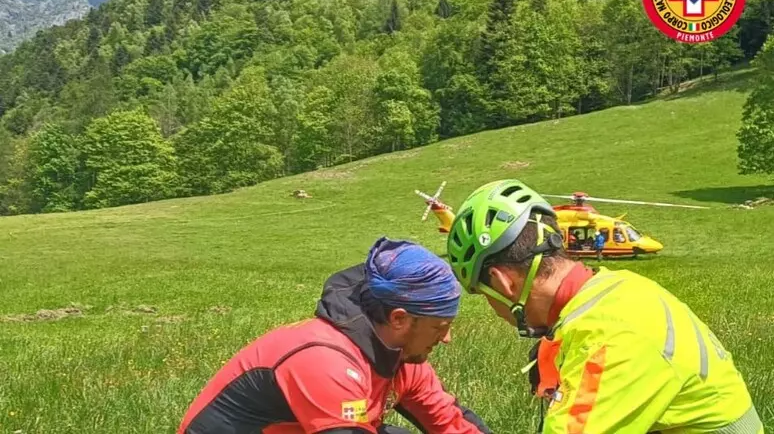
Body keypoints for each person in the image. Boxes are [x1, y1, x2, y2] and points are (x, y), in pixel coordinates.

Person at [445, 179, 762, 434]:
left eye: (484, 294)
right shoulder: (619, 287)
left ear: (502, 283)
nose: (493, 309)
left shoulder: (606, 339)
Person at [178, 236, 493, 434]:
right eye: (439, 327)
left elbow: (449, 422)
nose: (447, 338)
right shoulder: (324, 358)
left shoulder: (404, 358)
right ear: (399, 319)